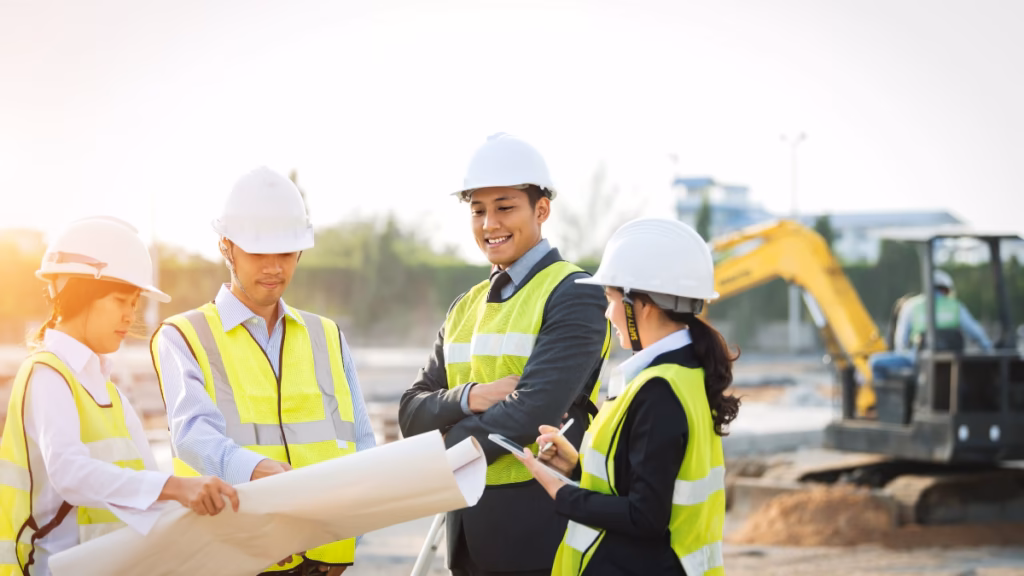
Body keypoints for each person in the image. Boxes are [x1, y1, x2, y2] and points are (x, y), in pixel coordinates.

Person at [399, 133, 611, 576]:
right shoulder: (465, 305)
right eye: (478, 210)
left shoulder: (574, 294)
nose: (489, 223)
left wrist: (438, 455)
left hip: (540, 519)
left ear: (542, 210)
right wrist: (469, 396)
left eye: (505, 207)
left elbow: (533, 411)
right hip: (465, 525)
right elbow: (411, 413)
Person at [150, 167, 376, 576]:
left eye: (286, 253)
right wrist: (255, 472)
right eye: (259, 252)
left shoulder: (326, 335)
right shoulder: (183, 335)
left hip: (323, 560)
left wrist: (347, 536)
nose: (274, 267)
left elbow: (360, 441)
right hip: (235, 555)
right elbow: (192, 437)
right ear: (226, 246)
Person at [0, 216, 238, 576]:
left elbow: (148, 494)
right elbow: (70, 473)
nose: (131, 315)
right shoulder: (47, 373)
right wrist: (177, 488)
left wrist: (241, 533)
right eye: (120, 301)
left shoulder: (106, 390)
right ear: (81, 295)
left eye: (134, 303)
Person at [515, 217, 740, 576]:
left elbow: (645, 516)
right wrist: (577, 467)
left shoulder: (659, 390)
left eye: (610, 299)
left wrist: (561, 492)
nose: (607, 313)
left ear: (642, 304)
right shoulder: (680, 374)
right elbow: (649, 477)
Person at [871, 269, 993, 382]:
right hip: (952, 364)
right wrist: (990, 352)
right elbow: (978, 335)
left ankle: (888, 403)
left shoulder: (911, 306)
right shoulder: (956, 307)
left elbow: (901, 343)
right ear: (946, 290)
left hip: (919, 362)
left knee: (875, 362)